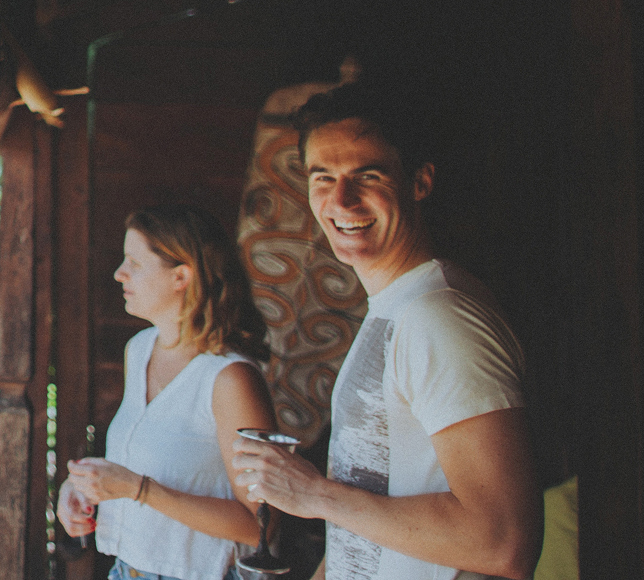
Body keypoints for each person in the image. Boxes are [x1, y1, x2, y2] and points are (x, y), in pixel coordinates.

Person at [231, 82, 542, 580]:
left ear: (419, 182)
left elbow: (503, 541)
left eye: (367, 176)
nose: (341, 200)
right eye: (323, 177)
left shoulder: (439, 318)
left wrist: (313, 494)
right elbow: (363, 527)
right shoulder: (395, 307)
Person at [58, 205, 278, 580]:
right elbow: (141, 459)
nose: (119, 273)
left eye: (134, 263)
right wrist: (78, 490)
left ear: (181, 276)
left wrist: (140, 490)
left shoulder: (230, 378)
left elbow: (262, 527)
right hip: (125, 571)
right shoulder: (140, 348)